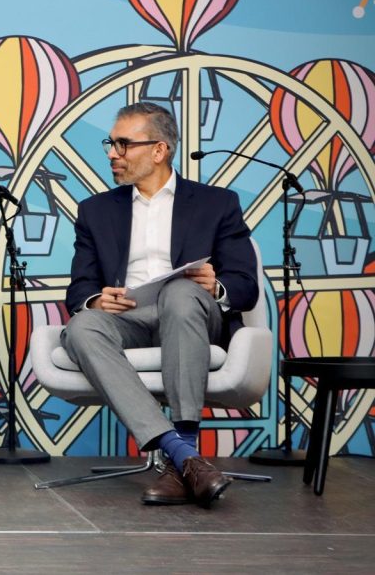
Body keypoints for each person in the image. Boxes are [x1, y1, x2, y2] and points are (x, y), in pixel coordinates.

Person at [62, 102, 258, 508]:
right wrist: (97, 298)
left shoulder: (217, 203)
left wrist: (216, 285)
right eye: (110, 144)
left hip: (192, 316)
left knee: (181, 292)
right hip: (129, 320)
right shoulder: (95, 210)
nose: (112, 153)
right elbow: (79, 288)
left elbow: (245, 284)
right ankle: (184, 456)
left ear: (159, 150)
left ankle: (181, 448)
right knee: (81, 326)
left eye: (123, 144)